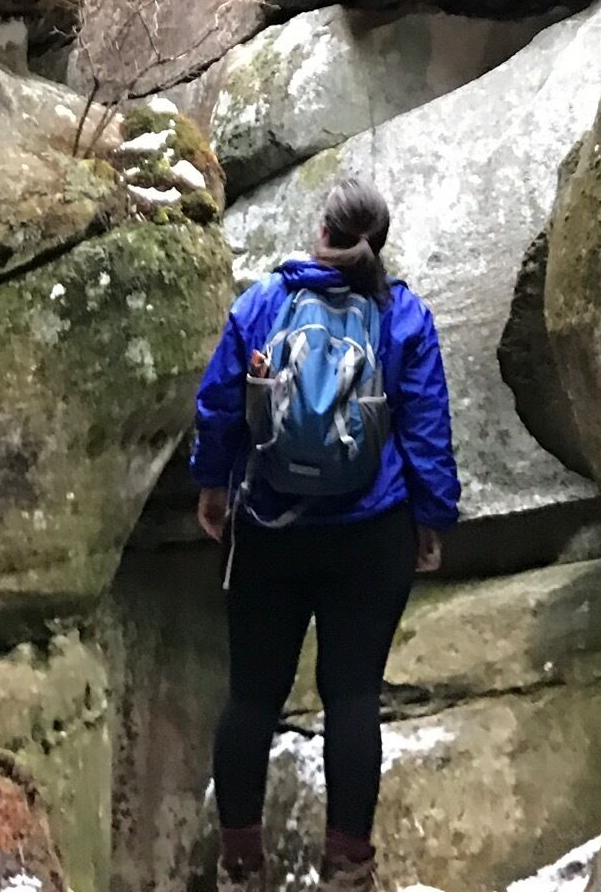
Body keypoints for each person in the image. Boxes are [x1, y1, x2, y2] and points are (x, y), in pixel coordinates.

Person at [190, 175, 461, 892]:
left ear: (322, 232)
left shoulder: (265, 303)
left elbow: (219, 404)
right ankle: (347, 868)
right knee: (352, 698)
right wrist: (432, 520)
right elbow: (428, 425)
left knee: (251, 697)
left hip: (270, 531)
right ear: (380, 240)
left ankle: (242, 866)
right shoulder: (401, 316)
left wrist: (212, 489)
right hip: (372, 535)